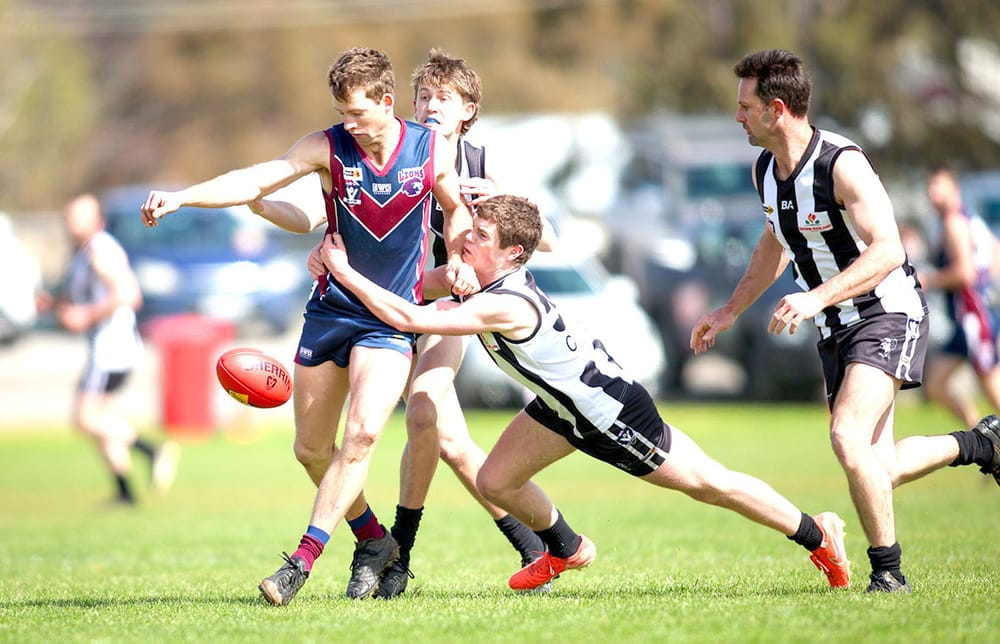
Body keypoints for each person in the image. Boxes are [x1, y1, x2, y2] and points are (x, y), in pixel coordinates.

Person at [320, 193, 853, 594]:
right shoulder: (480, 282)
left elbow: (411, 314)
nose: (465, 240)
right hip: (561, 409)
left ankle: (816, 534)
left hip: (610, 410)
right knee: (496, 480)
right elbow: (412, 285)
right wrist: (337, 266)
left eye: (480, 236)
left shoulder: (506, 302)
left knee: (706, 483)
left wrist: (344, 270)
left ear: (513, 254)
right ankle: (568, 549)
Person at [140, 47, 479, 605]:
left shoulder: (429, 149)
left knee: (364, 433)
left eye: (357, 113)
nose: (348, 124)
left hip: (390, 321)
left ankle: (300, 561)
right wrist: (182, 198)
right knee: (311, 450)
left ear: (387, 103)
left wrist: (461, 252)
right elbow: (257, 178)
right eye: (341, 112)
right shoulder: (327, 147)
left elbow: (456, 208)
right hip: (331, 311)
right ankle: (374, 540)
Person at [688, 49, 1000, 593]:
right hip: (838, 325)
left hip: (887, 312)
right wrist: (729, 310)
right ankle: (981, 445)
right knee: (880, 467)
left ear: (776, 108)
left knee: (846, 438)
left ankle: (889, 574)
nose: (737, 116)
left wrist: (814, 298)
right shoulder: (767, 169)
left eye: (745, 106)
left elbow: (887, 249)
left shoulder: (841, 162)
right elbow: (774, 242)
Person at [50, 194, 179, 505]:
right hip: (111, 347)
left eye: (78, 217)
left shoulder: (98, 251)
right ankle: (125, 492)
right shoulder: (88, 251)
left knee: (85, 419)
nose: (71, 223)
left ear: (97, 220)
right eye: (69, 217)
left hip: (111, 349)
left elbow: (128, 294)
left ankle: (152, 450)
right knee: (100, 419)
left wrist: (85, 315)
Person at [920, 164, 1000, 428]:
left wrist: (928, 279)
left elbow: (965, 273)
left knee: (990, 385)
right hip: (970, 316)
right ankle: (987, 438)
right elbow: (994, 255)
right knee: (935, 384)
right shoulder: (970, 219)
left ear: (954, 189)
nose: (932, 194)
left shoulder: (954, 222)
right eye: (929, 188)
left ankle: (989, 440)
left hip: (973, 316)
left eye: (938, 187)